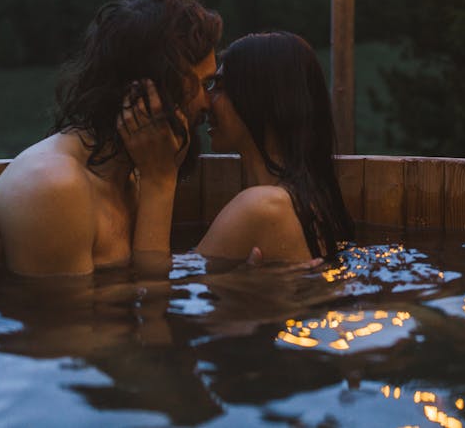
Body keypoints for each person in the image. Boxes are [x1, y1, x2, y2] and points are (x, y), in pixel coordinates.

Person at [0, 0, 221, 276]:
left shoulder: (131, 171)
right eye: (204, 84)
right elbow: (131, 310)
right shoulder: (55, 189)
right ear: (152, 90)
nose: (207, 102)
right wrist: (160, 183)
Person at [127, 31, 354, 266]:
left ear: (264, 100)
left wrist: (159, 177)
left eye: (220, 86)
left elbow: (153, 289)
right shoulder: (308, 201)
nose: (207, 101)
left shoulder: (262, 207)